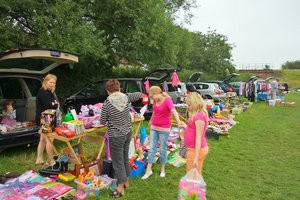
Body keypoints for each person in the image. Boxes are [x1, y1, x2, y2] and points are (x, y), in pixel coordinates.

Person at [100, 79, 143, 198]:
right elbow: (139, 94)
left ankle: (120, 189)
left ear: (108, 91)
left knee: (118, 162)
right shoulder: (126, 97)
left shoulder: (107, 103)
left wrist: (110, 120)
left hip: (116, 135)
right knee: (124, 158)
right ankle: (126, 183)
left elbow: (102, 121)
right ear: (119, 88)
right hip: (127, 133)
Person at [142, 86, 182, 179]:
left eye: (152, 97)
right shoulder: (155, 101)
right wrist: (151, 121)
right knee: (152, 148)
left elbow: (174, 111)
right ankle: (148, 170)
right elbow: (154, 112)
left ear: (157, 93)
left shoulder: (167, 100)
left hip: (164, 129)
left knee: (162, 149)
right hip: (154, 127)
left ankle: (163, 169)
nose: (152, 99)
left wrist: (178, 121)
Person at [180, 92, 209, 175]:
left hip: (196, 150)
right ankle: (194, 187)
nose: (188, 107)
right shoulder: (196, 115)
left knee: (193, 174)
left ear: (195, 103)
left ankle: (193, 188)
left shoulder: (199, 117)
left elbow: (198, 138)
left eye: (189, 105)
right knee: (194, 174)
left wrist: (195, 158)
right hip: (192, 149)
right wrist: (185, 126)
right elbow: (193, 129)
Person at [35, 74, 59, 165]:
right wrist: (54, 104)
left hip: (47, 118)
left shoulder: (50, 92)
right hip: (45, 119)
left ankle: (39, 159)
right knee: (50, 139)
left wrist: (54, 103)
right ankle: (51, 160)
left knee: (43, 139)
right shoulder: (43, 92)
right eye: (50, 82)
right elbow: (49, 105)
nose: (52, 84)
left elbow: (54, 104)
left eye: (54, 82)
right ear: (45, 82)